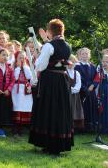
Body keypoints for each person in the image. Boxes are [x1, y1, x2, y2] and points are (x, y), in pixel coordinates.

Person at [28, 19, 73, 155]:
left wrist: (37, 57)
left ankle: (48, 143)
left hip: (50, 81)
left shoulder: (49, 46)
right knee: (60, 110)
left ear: (50, 31)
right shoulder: (67, 46)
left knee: (48, 109)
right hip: (62, 81)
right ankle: (57, 145)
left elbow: (40, 66)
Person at [75, 47, 98, 132]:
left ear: (89, 55)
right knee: (83, 109)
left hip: (91, 92)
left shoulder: (92, 66)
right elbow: (78, 79)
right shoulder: (77, 67)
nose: (85, 55)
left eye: (86, 54)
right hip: (82, 92)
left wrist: (93, 86)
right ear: (79, 56)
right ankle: (82, 128)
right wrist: (85, 89)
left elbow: (96, 78)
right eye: (83, 54)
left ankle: (91, 128)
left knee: (91, 108)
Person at [11, 51, 34, 136]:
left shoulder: (27, 68)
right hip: (16, 90)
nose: (22, 59)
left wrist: (24, 67)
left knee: (25, 107)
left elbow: (29, 77)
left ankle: (21, 128)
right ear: (16, 59)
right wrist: (18, 68)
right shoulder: (14, 68)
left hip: (25, 89)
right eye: (20, 57)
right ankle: (15, 129)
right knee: (17, 107)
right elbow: (15, 77)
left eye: (23, 58)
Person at [67, 55, 84, 131]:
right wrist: (68, 89)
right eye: (70, 62)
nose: (71, 64)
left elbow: (78, 84)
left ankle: (73, 128)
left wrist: (73, 89)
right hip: (66, 95)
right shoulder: (64, 72)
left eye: (73, 62)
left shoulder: (76, 73)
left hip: (74, 96)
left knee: (74, 110)